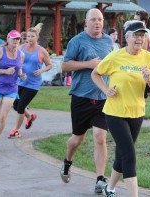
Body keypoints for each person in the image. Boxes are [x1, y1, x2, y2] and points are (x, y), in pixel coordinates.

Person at [91, 20, 150, 197]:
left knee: (121, 156)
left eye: (142, 35)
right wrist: (106, 90)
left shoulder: (149, 58)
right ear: (127, 37)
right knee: (129, 155)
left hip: (137, 113)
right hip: (115, 112)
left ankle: (110, 188)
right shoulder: (116, 56)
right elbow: (96, 73)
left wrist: (149, 80)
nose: (139, 39)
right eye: (136, 35)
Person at [60, 8, 113, 194]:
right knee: (77, 139)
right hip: (81, 97)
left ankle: (100, 179)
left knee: (100, 136)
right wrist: (88, 64)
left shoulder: (109, 41)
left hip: (102, 98)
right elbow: (65, 65)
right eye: (93, 20)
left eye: (100, 19)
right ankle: (67, 161)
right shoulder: (77, 41)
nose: (97, 23)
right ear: (86, 23)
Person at [9, 23, 52, 138]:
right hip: (20, 81)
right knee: (15, 105)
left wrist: (41, 70)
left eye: (32, 36)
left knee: (21, 107)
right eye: (28, 36)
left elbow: (49, 65)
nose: (30, 38)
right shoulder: (21, 47)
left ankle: (16, 130)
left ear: (36, 37)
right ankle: (30, 116)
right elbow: (13, 58)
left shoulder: (41, 51)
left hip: (33, 84)